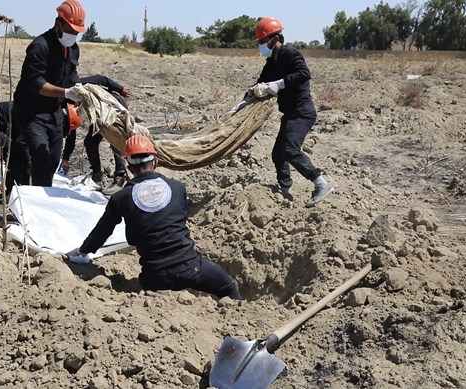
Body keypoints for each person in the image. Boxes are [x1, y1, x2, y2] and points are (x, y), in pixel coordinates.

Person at [66, 135, 241, 300]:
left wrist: (82, 251)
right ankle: (236, 325)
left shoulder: (120, 198)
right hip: (190, 268)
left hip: (155, 277)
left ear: (128, 165)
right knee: (229, 287)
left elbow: (101, 232)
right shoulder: (177, 188)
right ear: (155, 162)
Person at [233, 17, 333, 208]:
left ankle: (321, 183)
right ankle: (284, 189)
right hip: (289, 114)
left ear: (275, 38)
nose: (261, 46)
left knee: (290, 150)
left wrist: (278, 84)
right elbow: (259, 84)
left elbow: (304, 74)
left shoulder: (290, 53)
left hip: (302, 112)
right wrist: (243, 102)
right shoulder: (272, 62)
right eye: (260, 42)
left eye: (263, 42)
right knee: (278, 155)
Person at [12, 0, 86, 187]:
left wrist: (83, 91)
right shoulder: (40, 46)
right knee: (41, 159)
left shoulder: (73, 49)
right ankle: (34, 205)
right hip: (31, 112)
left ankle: (30, 189)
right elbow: (36, 83)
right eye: (69, 30)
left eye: (76, 32)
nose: (72, 35)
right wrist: (66, 92)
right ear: (58, 24)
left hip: (54, 112)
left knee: (53, 161)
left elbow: (71, 77)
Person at [60, 74, 132, 194]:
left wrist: (120, 88)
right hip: (98, 113)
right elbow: (71, 134)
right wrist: (65, 159)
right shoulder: (63, 107)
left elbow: (100, 79)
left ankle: (120, 177)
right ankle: (97, 175)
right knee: (90, 142)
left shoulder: (73, 87)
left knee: (115, 139)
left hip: (112, 104)